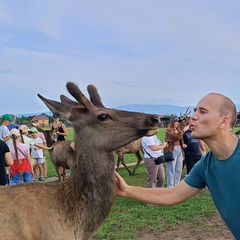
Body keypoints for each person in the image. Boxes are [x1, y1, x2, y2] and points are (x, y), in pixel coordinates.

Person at [115, 92, 240, 239]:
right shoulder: (205, 166)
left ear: (224, 121)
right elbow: (171, 195)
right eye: (195, 111)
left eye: (203, 111)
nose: (193, 116)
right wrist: (127, 190)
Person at [165, 115, 187, 188]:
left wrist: (183, 144)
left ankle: (176, 185)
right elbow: (175, 137)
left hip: (179, 149)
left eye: (177, 121)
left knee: (178, 169)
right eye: (175, 121)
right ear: (172, 122)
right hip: (172, 149)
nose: (177, 123)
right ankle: (170, 186)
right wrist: (183, 131)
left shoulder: (178, 129)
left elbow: (181, 138)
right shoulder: (169, 129)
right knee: (171, 169)